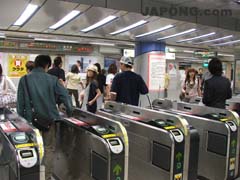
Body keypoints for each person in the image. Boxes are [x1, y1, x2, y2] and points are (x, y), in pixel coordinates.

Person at [17, 55, 72, 180]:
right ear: (47, 65)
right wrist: (69, 112)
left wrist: (22, 124)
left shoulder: (24, 79)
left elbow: (20, 105)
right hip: (49, 121)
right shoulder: (53, 80)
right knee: (48, 149)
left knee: (33, 149)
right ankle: (46, 177)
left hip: (30, 123)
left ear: (36, 64)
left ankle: (33, 175)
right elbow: (66, 98)